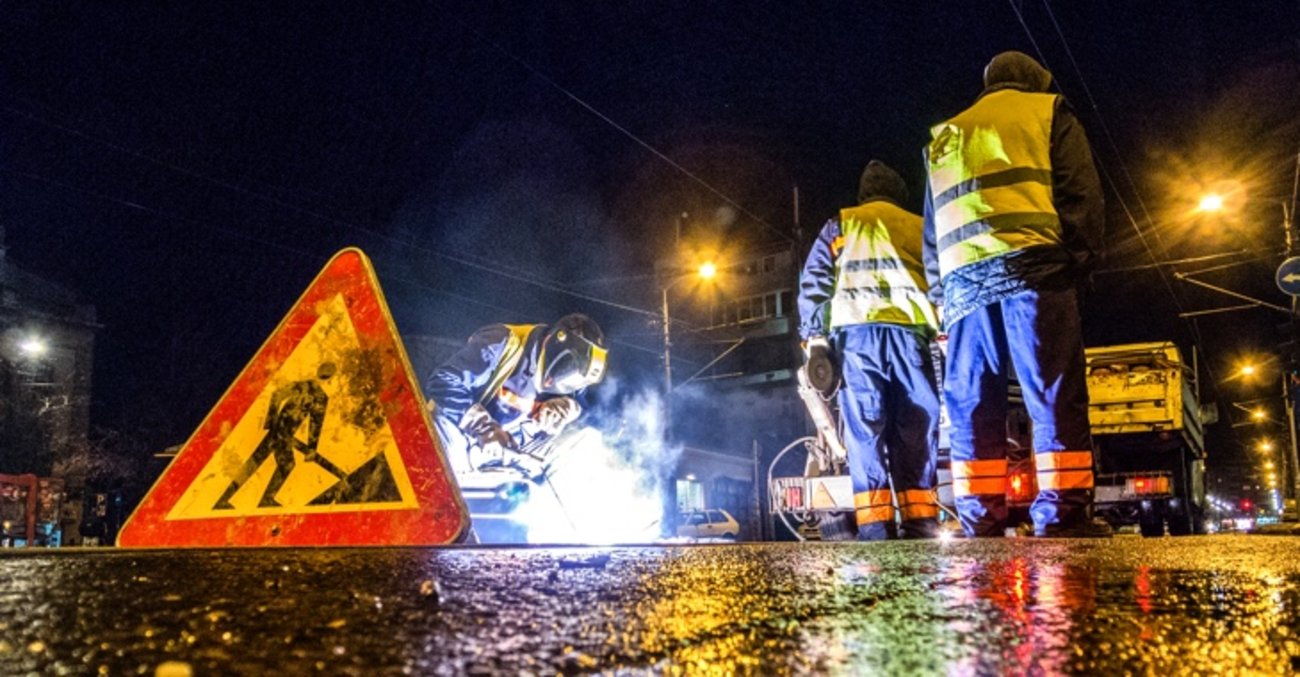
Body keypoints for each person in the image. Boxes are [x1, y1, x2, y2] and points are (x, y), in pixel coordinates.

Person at [922, 51, 1106, 538]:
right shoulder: (1047, 112)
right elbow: (1080, 193)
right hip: (1035, 270)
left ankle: (980, 517)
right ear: (1035, 80)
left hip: (963, 290)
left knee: (972, 403)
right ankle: (1062, 514)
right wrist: (1079, 260)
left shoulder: (946, 137)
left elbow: (932, 229)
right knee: (1051, 391)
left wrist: (941, 294)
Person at [798, 160, 942, 540]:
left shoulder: (841, 224)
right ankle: (920, 523)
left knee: (865, 433)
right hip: (910, 338)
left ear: (864, 194)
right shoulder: (918, 225)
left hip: (857, 342)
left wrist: (815, 340)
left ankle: (876, 528)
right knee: (916, 429)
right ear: (899, 193)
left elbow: (814, 282)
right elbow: (941, 278)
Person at [424, 314, 607, 477]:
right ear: (552, 342)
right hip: (458, 435)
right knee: (436, 443)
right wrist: (483, 427)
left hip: (508, 449)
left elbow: (581, 403)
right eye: (552, 376)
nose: (550, 385)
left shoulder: (575, 373)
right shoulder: (501, 340)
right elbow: (443, 381)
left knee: (586, 440)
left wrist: (567, 407)